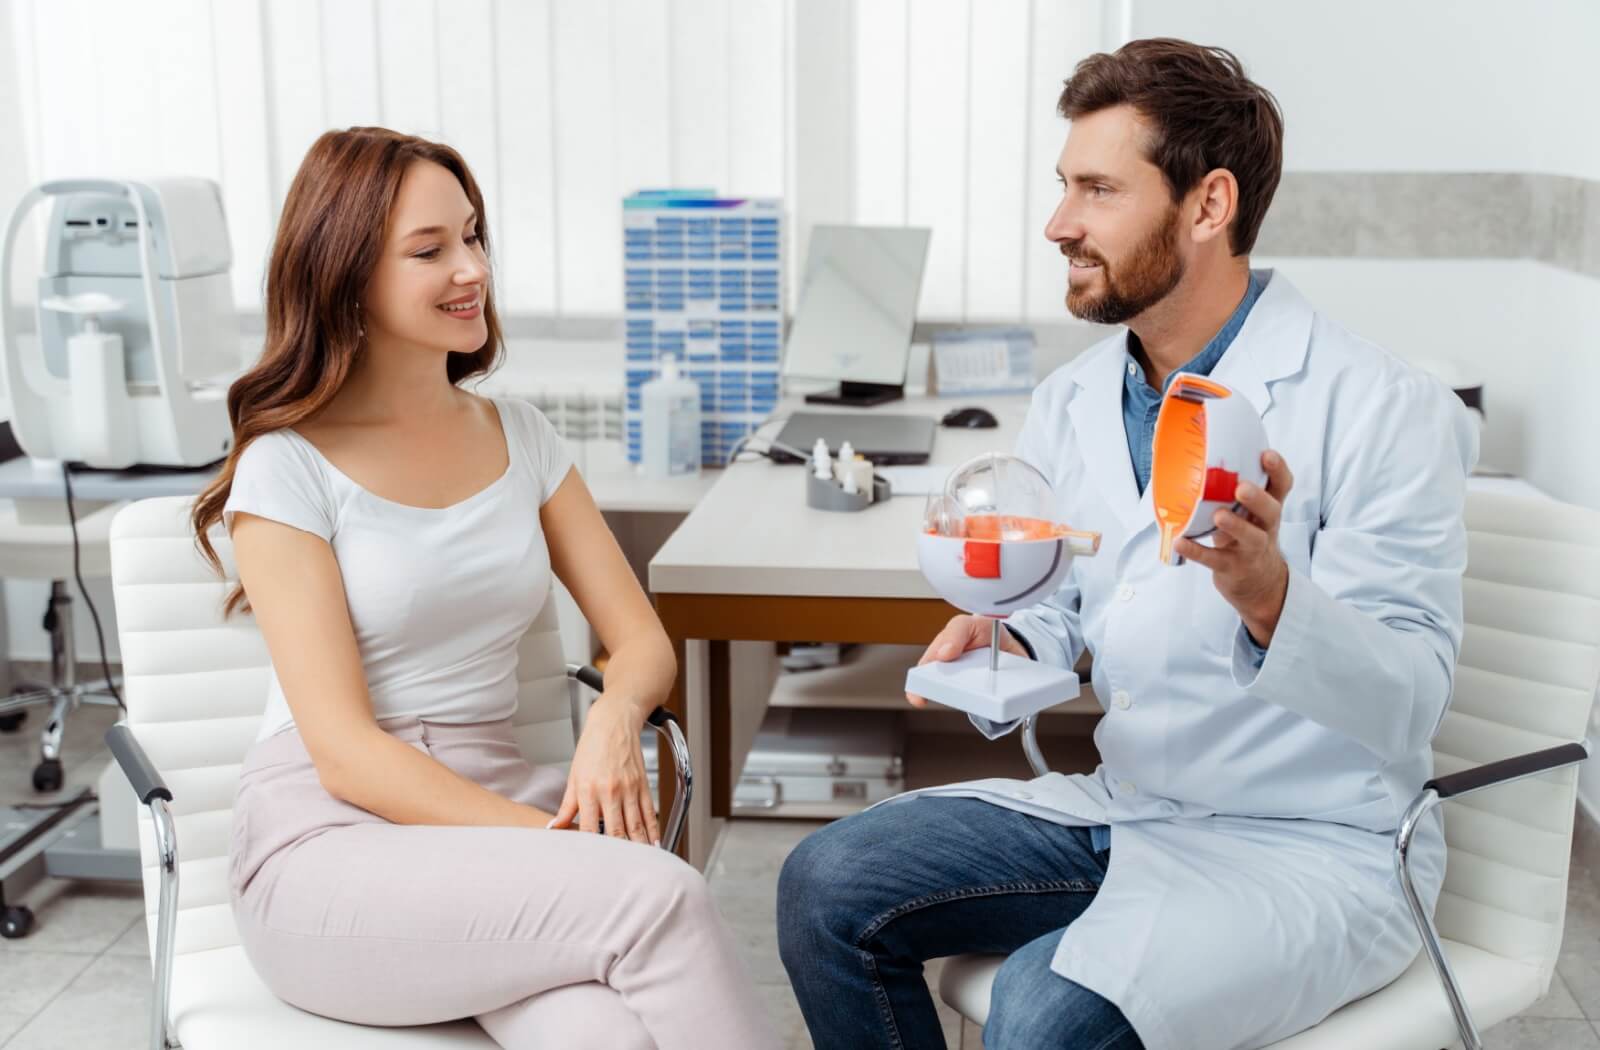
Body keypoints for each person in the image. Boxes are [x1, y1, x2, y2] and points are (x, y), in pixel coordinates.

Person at [778, 38, 1476, 1050]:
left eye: (1097, 190)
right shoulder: (1072, 400)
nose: (1058, 224)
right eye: (1064, 187)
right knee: (824, 885)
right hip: (1132, 810)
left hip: (1315, 846)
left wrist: (1269, 595)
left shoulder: (1377, 406)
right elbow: (1059, 606)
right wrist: (1010, 644)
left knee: (1040, 1012)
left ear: (1207, 205)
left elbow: (1411, 700)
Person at [192, 127, 778, 1050]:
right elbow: (344, 753)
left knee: (605, 1035)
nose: (470, 268)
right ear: (345, 275)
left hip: (492, 814)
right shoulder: (286, 468)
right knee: (660, 896)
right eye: (430, 250)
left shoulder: (521, 436)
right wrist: (547, 839)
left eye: (473, 236)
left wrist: (615, 720)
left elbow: (643, 643)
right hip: (329, 847)